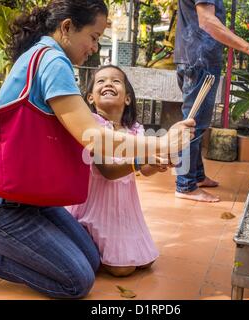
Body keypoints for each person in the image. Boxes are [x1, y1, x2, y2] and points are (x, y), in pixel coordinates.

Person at [0, 0, 195, 299]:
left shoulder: (43, 54)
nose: (94, 47)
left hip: (27, 194)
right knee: (75, 282)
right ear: (67, 28)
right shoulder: (52, 61)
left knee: (91, 260)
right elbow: (93, 136)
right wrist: (162, 141)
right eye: (93, 37)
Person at [68, 65, 171, 277]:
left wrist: (158, 163)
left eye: (116, 81)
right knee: (122, 269)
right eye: (101, 81)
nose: (108, 84)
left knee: (146, 263)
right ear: (90, 99)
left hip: (124, 208)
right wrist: (142, 159)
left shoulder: (134, 130)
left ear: (127, 98)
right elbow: (107, 170)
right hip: (96, 207)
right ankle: (89, 242)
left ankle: (106, 248)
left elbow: (146, 170)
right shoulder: (92, 128)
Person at [174, 0, 249, 202]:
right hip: (199, 61)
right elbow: (207, 21)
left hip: (194, 58)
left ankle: (196, 176)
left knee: (197, 123)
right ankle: (185, 185)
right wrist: (248, 47)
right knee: (192, 124)